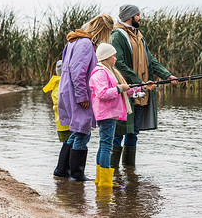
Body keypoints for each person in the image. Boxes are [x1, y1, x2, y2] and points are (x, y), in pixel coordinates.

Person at [110, 4, 178, 168]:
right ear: (129, 16)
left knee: (133, 133)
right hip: (125, 92)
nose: (140, 18)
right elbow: (118, 63)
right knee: (118, 133)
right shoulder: (117, 36)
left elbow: (151, 60)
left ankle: (129, 171)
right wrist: (139, 83)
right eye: (138, 15)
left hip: (141, 92)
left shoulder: (139, 35)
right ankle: (112, 172)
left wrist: (167, 75)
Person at [89, 43, 156, 187]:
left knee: (104, 145)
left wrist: (143, 86)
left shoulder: (110, 71)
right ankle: (105, 182)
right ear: (106, 57)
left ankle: (101, 180)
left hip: (110, 114)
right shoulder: (100, 72)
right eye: (113, 56)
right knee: (106, 146)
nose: (115, 58)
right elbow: (102, 93)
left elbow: (126, 90)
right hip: (106, 114)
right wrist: (119, 88)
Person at [58, 14, 114, 181]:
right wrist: (82, 96)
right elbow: (78, 72)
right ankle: (76, 174)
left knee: (75, 131)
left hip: (68, 90)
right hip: (77, 92)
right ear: (102, 30)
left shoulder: (74, 41)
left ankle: (62, 170)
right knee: (83, 131)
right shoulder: (85, 44)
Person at [42, 60, 73, 177]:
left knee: (69, 143)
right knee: (68, 143)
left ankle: (65, 169)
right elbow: (61, 103)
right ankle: (60, 170)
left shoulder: (59, 83)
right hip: (64, 121)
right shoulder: (61, 84)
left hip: (63, 120)